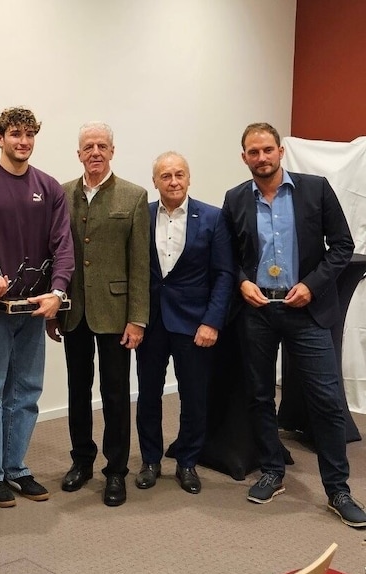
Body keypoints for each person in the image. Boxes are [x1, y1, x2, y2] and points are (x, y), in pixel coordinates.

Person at [222, 122, 366, 527]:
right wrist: (242, 281)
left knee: (325, 400)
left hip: (306, 310)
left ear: (280, 151)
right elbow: (227, 255)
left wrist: (312, 286)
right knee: (259, 395)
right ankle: (273, 470)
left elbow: (342, 246)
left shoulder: (315, 189)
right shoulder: (235, 199)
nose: (261, 158)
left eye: (268, 150)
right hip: (258, 311)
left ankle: (338, 489)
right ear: (244, 156)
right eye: (253, 152)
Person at [0, 106, 74, 508]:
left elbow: (63, 247)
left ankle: (16, 467)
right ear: (0, 138)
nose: (22, 141)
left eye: (29, 135)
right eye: (14, 134)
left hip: (35, 309)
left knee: (25, 391)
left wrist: (57, 292)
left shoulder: (50, 187)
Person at [49, 121, 149, 507]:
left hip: (116, 313)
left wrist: (137, 318)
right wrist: (52, 309)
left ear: (112, 151)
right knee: (78, 391)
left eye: (102, 146)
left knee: (115, 394)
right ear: (78, 153)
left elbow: (139, 264)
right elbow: (55, 253)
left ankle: (116, 471)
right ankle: (81, 461)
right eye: (88, 146)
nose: (95, 152)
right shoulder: (61, 193)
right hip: (73, 310)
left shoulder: (133, 196)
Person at [133, 152, 234, 495]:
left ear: (189, 178)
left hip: (195, 325)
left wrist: (212, 322)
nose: (173, 181)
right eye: (165, 176)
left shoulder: (213, 218)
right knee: (148, 394)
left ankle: (188, 461)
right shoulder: (141, 215)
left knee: (193, 396)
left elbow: (223, 275)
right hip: (150, 321)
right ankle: (150, 460)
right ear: (155, 181)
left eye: (179, 174)